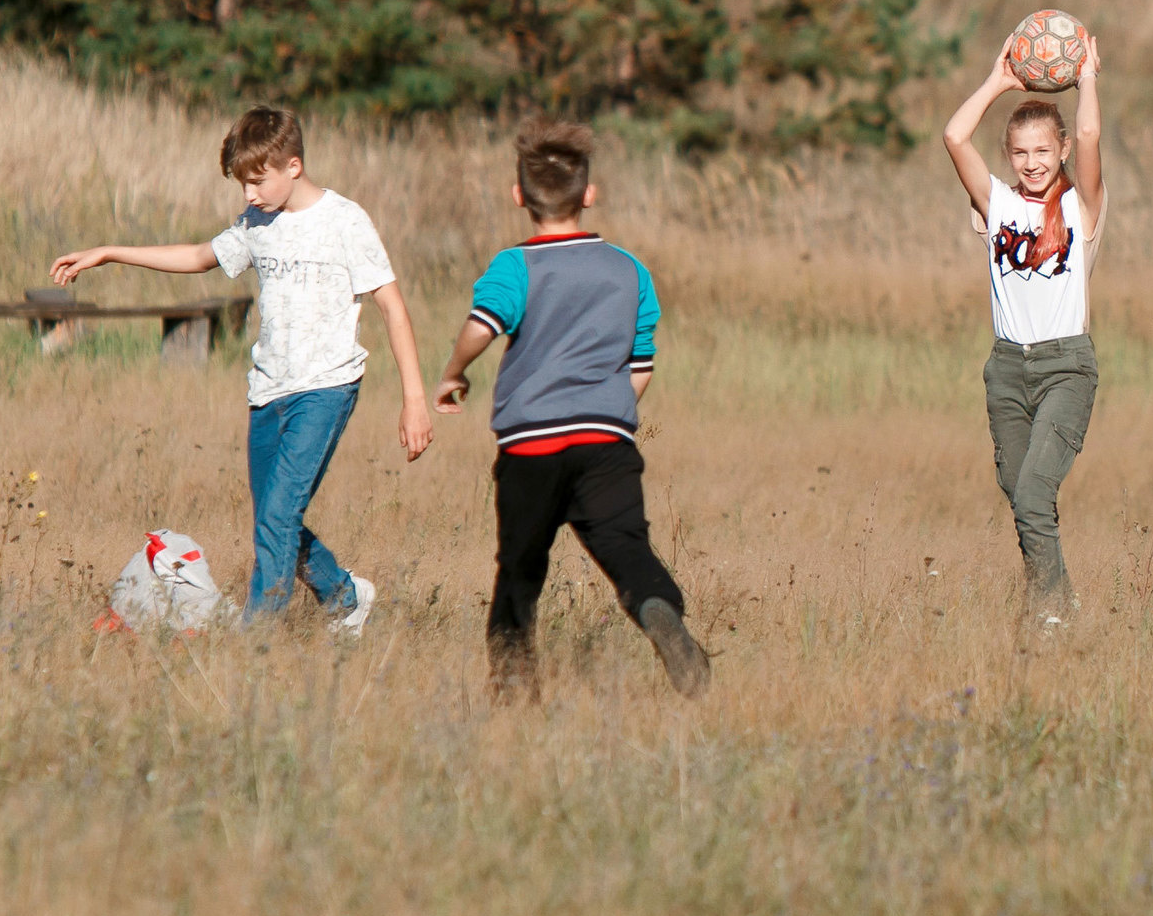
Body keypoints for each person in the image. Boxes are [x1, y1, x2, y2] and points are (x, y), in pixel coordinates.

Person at [50, 106, 431, 629]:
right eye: (242, 185)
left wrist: (414, 399)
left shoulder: (344, 220)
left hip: (326, 388)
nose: (249, 195)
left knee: (276, 519)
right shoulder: (257, 222)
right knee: (274, 521)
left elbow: (393, 305)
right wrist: (109, 253)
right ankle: (345, 599)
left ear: (292, 165)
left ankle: (254, 648)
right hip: (267, 391)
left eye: (257, 181)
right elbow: (199, 256)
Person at [429, 120, 709, 700]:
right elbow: (642, 363)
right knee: (627, 549)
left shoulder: (516, 265)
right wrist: (610, 412)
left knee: (521, 569)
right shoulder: (629, 270)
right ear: (589, 194)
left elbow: (483, 325)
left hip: (530, 444)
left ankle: (512, 687)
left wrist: (455, 373)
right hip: (606, 442)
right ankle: (659, 610)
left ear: (518, 196)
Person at [941, 32, 1106, 625]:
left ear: (1060, 150)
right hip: (1008, 368)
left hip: (1065, 367)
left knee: (1035, 496)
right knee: (1020, 493)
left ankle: (1052, 614)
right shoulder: (997, 204)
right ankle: (1057, 594)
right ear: (1009, 157)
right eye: (1020, 153)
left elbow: (1089, 133)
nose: (1032, 163)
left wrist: (1086, 75)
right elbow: (955, 137)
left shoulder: (1080, 206)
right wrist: (999, 80)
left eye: (1043, 150)